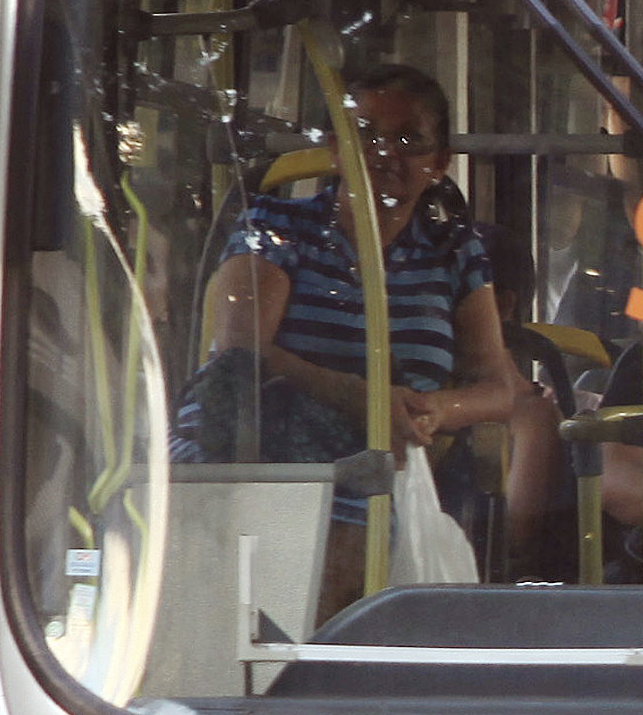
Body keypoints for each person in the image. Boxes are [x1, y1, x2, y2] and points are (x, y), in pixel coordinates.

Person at [176, 63, 560, 584]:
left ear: (440, 162)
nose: (384, 154)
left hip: (379, 461)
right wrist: (364, 399)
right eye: (366, 136)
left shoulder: (453, 251)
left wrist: (432, 410)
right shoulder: (275, 228)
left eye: (409, 140)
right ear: (337, 150)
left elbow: (498, 388)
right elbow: (242, 350)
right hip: (252, 452)